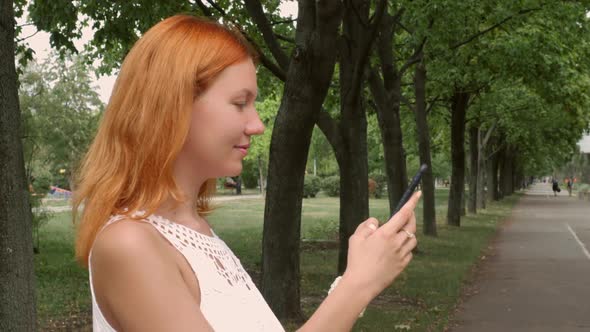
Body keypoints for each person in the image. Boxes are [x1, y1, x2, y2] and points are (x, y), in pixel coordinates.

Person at [73, 15, 420, 332]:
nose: (257, 125)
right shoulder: (129, 246)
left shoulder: (196, 233)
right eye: (240, 103)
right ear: (173, 106)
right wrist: (358, 285)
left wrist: (356, 278)